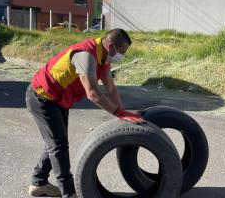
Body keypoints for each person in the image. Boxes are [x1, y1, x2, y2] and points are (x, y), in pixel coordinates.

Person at [26, 28, 144, 198]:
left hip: (57, 100)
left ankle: (38, 183)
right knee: (58, 146)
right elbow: (93, 93)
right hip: (42, 97)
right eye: (122, 52)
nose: (122, 56)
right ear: (111, 46)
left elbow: (110, 88)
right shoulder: (86, 56)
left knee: (54, 142)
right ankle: (69, 192)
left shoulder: (103, 58)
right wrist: (119, 113)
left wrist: (124, 112)